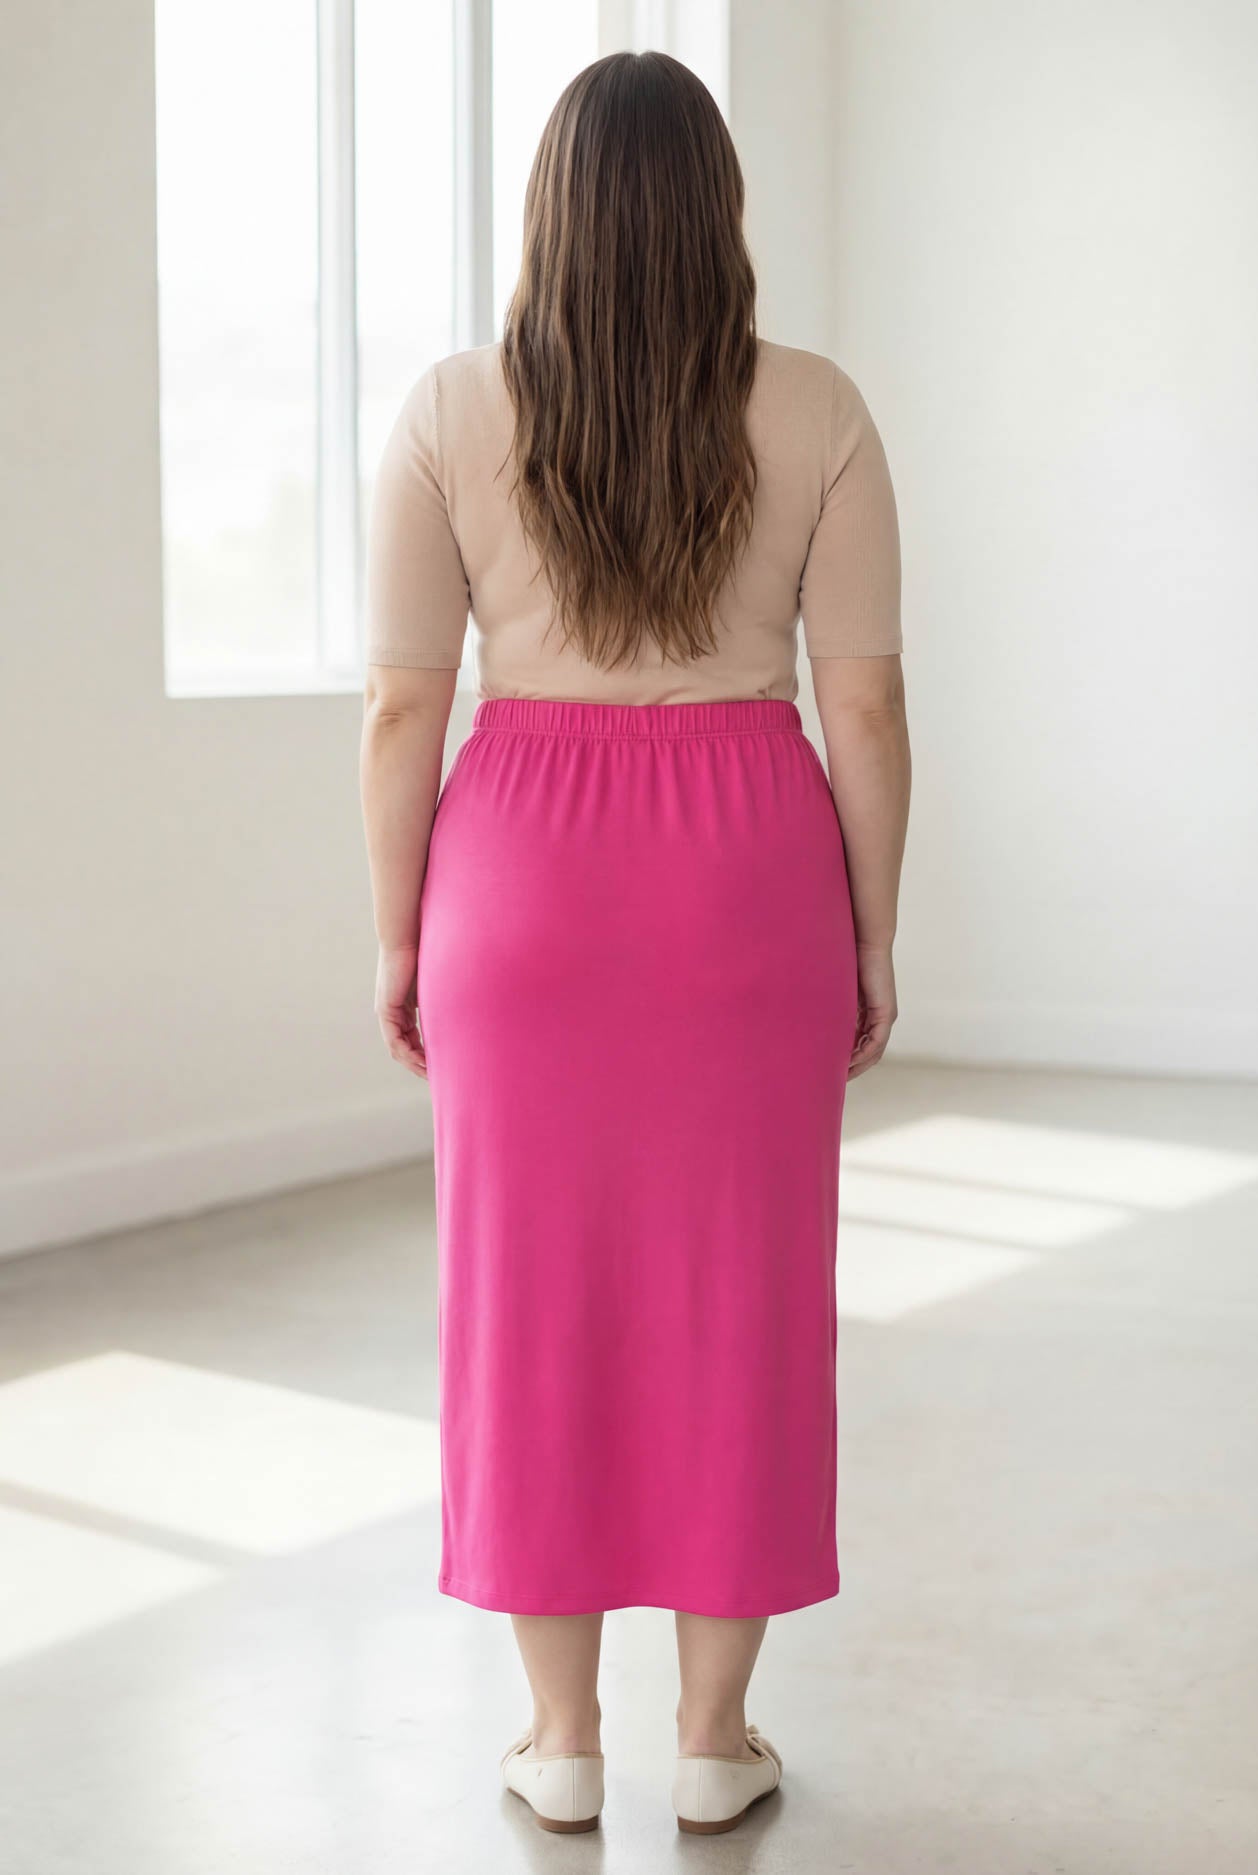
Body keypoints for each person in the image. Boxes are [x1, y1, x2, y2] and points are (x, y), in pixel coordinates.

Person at [359, 48, 910, 1838]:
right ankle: (713, 1732)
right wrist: (870, 935)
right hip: (748, 877)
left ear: (550, 213)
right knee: (737, 1301)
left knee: (529, 1301)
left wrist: (397, 936)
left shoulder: (448, 411)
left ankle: (557, 1735)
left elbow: (395, 711)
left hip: (516, 881)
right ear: (718, 211)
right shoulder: (818, 408)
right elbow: (873, 708)